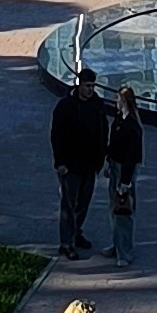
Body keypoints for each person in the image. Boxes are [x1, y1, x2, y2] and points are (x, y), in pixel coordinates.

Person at [51, 66, 109, 256]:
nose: (90, 90)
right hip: (70, 165)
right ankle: (66, 243)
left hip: (90, 164)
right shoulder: (65, 107)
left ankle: (76, 233)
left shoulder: (97, 105)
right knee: (68, 204)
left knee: (83, 203)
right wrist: (60, 162)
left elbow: (103, 131)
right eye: (87, 86)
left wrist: (101, 158)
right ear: (79, 85)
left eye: (92, 86)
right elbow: (56, 136)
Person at [105, 84, 143, 269]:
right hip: (115, 166)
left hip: (124, 171)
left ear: (125, 102)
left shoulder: (132, 126)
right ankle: (117, 245)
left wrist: (125, 182)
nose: (115, 102)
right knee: (115, 210)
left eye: (118, 100)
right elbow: (113, 143)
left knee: (124, 211)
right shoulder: (120, 119)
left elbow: (132, 157)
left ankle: (125, 252)